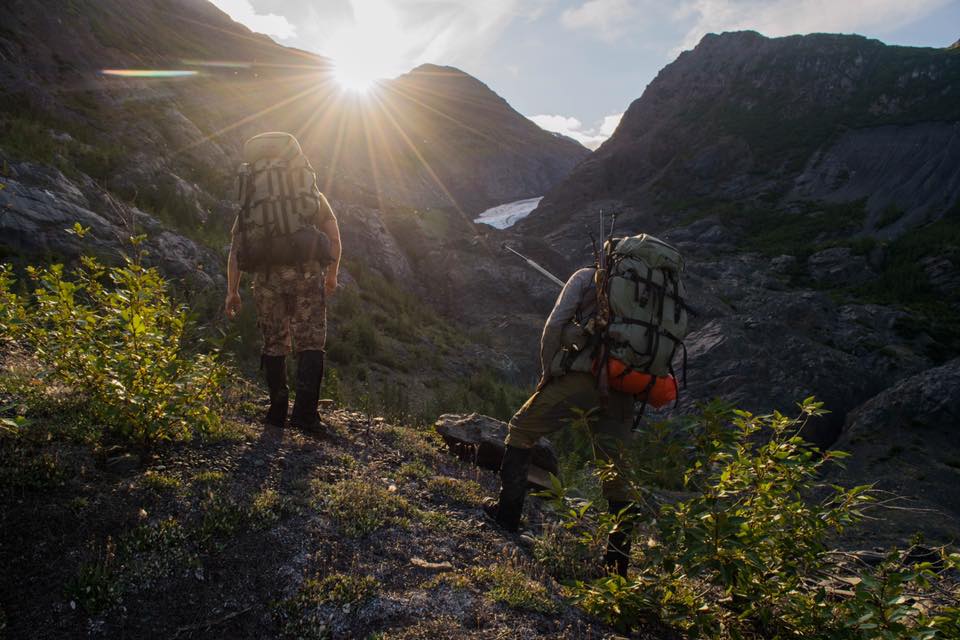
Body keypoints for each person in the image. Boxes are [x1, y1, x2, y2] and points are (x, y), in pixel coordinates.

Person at [483, 266, 637, 577]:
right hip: (625, 385)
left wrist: (547, 372)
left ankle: (507, 517)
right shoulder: (643, 295)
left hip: (585, 378)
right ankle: (617, 566)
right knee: (617, 473)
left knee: (521, 428)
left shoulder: (584, 277)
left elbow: (553, 327)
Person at [224, 132, 341, 434]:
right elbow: (334, 236)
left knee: (274, 342)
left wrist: (232, 291)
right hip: (305, 273)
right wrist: (331, 274)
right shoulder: (306, 192)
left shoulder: (252, 200)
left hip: (265, 279)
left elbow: (237, 248)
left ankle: (276, 413)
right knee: (310, 341)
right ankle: (305, 416)